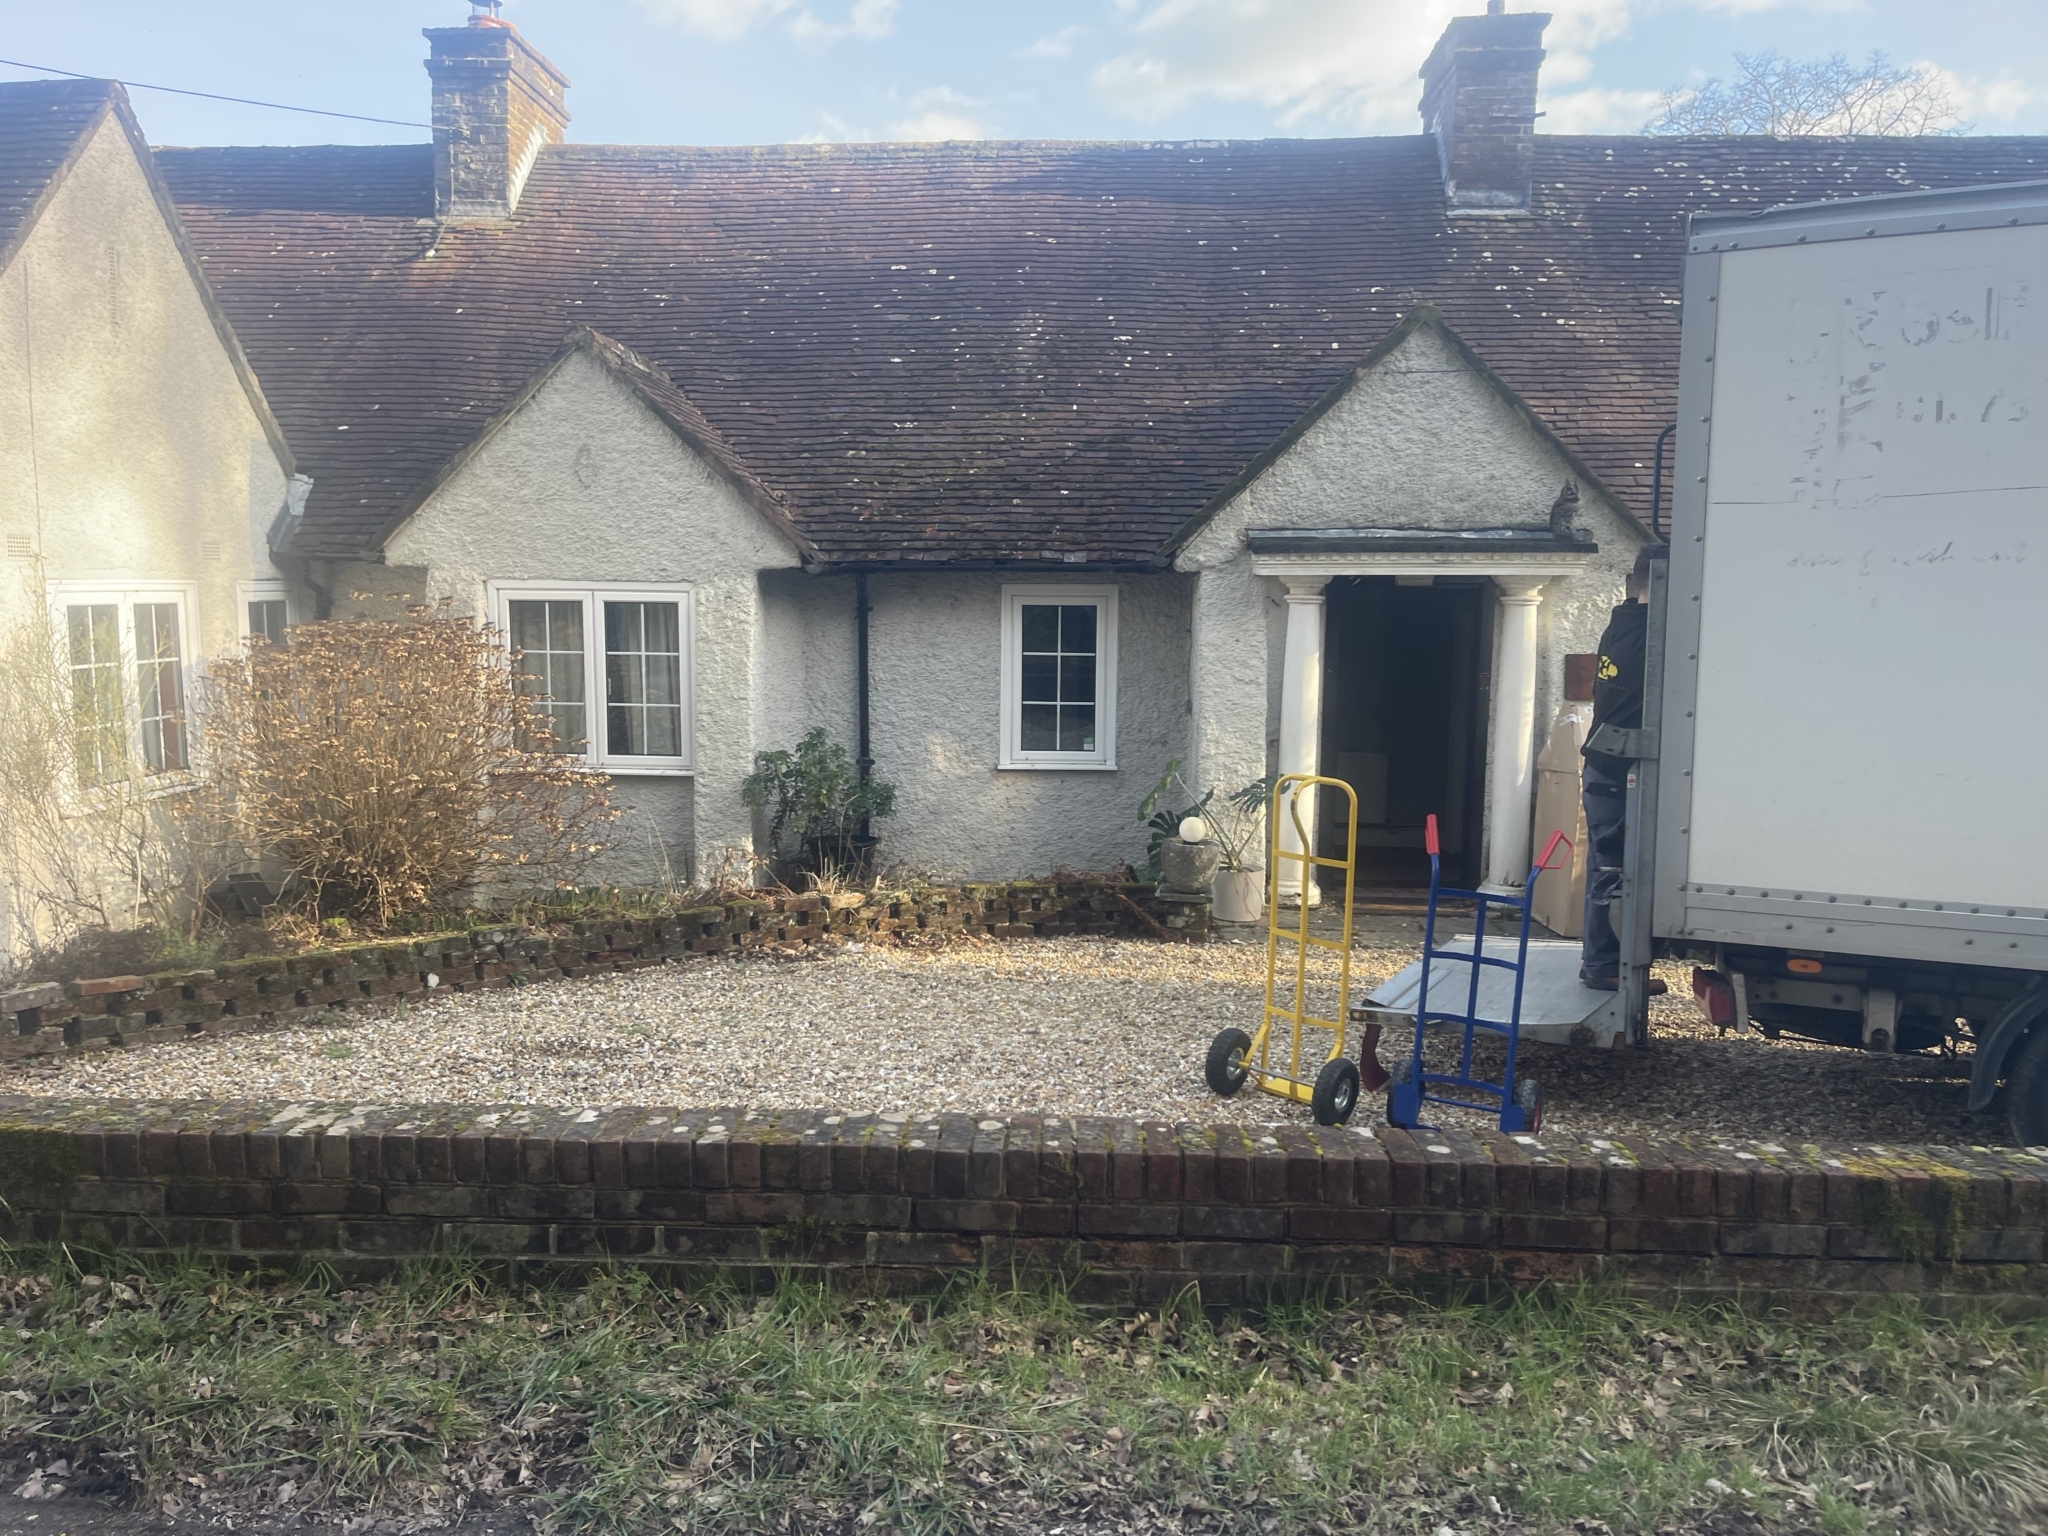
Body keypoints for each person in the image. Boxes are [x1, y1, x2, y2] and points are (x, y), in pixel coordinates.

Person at [1580, 547, 1660, 991]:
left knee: (1602, 866)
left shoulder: (1622, 621)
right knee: (1612, 869)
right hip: (1616, 771)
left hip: (1602, 765)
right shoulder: (1650, 634)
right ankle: (1604, 966)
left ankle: (1597, 959)